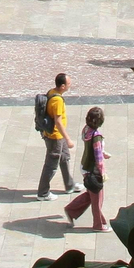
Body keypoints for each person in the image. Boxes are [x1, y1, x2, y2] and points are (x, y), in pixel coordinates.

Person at [64, 107, 111, 230]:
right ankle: (98, 224)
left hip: (84, 166)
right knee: (97, 198)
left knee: (91, 194)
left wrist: (103, 152)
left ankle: (71, 210)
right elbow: (98, 158)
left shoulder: (86, 130)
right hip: (93, 170)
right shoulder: (96, 136)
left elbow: (96, 151)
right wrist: (102, 173)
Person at [36, 72, 76, 200]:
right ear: (63, 86)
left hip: (56, 135)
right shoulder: (57, 100)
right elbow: (58, 122)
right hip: (55, 137)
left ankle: (70, 185)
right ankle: (43, 193)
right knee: (51, 164)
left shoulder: (51, 92)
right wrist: (68, 139)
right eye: (69, 83)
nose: (71, 85)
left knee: (64, 157)